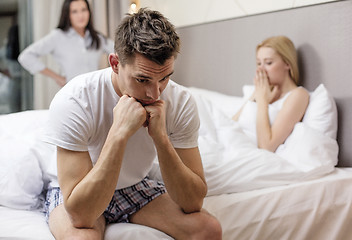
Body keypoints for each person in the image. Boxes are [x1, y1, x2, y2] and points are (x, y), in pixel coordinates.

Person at [43, 8, 222, 240]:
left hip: (133, 186)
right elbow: (82, 216)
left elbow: (193, 202)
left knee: (208, 229)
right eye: (142, 79)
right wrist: (119, 133)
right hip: (78, 190)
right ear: (115, 63)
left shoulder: (181, 101)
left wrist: (161, 139)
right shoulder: (75, 99)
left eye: (165, 77)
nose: (155, 93)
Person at [233, 36, 309, 152]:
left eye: (268, 63)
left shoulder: (298, 95)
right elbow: (231, 124)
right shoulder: (262, 91)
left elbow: (266, 146)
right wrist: (256, 94)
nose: (261, 70)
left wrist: (262, 101)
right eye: (258, 63)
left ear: (287, 63)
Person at [18, 0, 114, 87]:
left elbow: (120, 51)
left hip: (96, 92)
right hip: (72, 93)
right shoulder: (57, 36)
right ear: (67, 15)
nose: (81, 15)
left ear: (89, 12)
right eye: (74, 11)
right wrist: (57, 77)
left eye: (83, 10)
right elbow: (25, 56)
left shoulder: (97, 37)